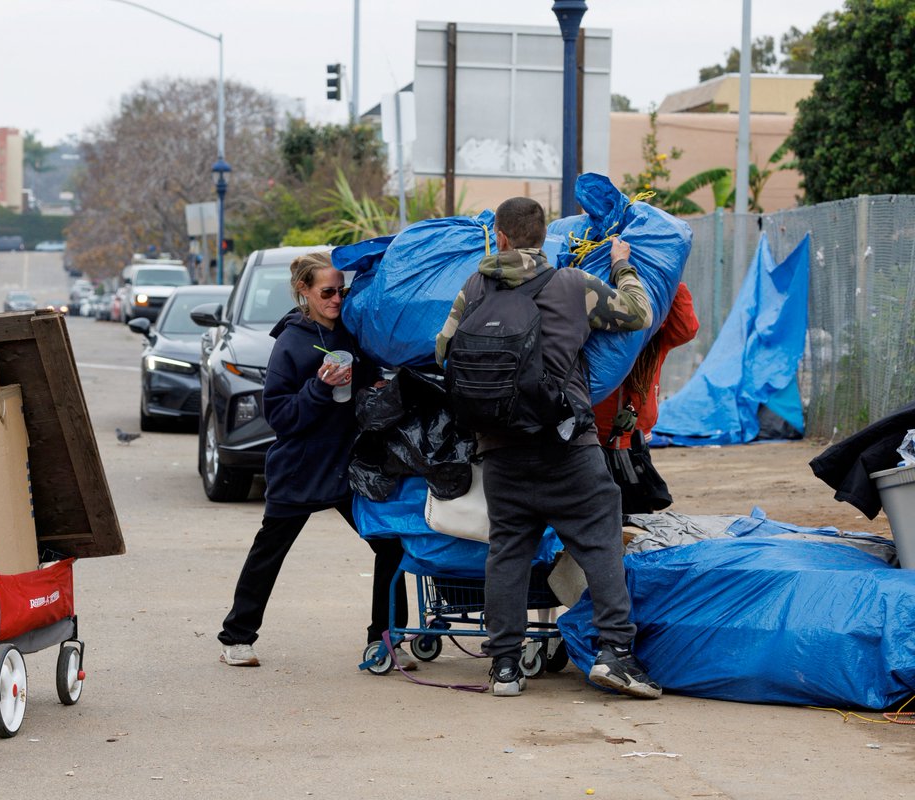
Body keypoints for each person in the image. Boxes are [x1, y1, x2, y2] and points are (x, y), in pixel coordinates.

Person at [435, 197, 662, 699]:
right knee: (599, 542)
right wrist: (622, 265)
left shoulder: (473, 287)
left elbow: (442, 349)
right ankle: (615, 654)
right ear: (543, 237)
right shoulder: (572, 286)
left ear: (502, 236)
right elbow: (638, 314)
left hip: (498, 450)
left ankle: (505, 667)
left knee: (508, 552)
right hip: (567, 447)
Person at [218, 251, 412, 669]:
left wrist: (373, 384)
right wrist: (319, 387)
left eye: (342, 291)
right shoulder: (290, 342)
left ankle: (386, 640)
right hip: (301, 466)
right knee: (268, 552)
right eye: (327, 291)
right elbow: (281, 417)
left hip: (348, 466)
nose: (337, 299)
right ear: (303, 291)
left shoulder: (351, 333)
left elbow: (367, 386)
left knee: (391, 545)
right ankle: (236, 638)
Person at [594, 283, 699, 515]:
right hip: (592, 437)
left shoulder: (654, 339)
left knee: (637, 512)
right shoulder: (595, 338)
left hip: (635, 440)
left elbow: (686, 329)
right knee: (595, 509)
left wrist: (673, 280)